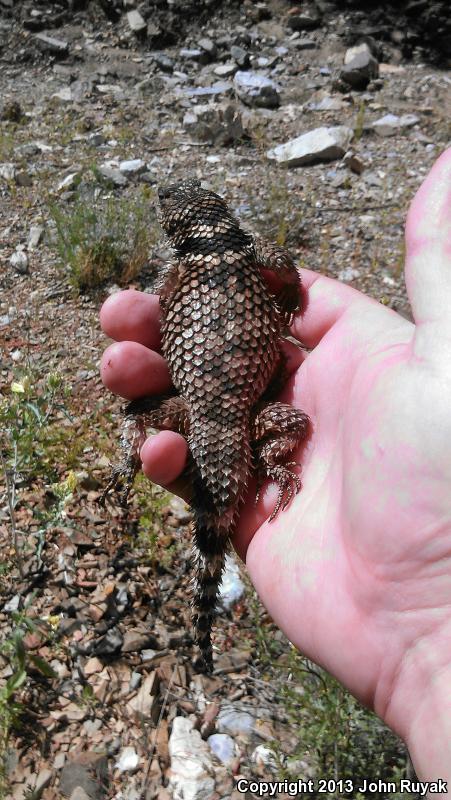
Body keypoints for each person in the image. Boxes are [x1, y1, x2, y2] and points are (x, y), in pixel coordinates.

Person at [100, 148, 451, 789]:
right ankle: (208, 585)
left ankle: (198, 596)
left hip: (201, 408)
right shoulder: (253, 253)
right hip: (247, 412)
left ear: (176, 231)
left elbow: (159, 303)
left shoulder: (178, 276)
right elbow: (285, 269)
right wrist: (288, 292)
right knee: (282, 429)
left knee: (142, 404)